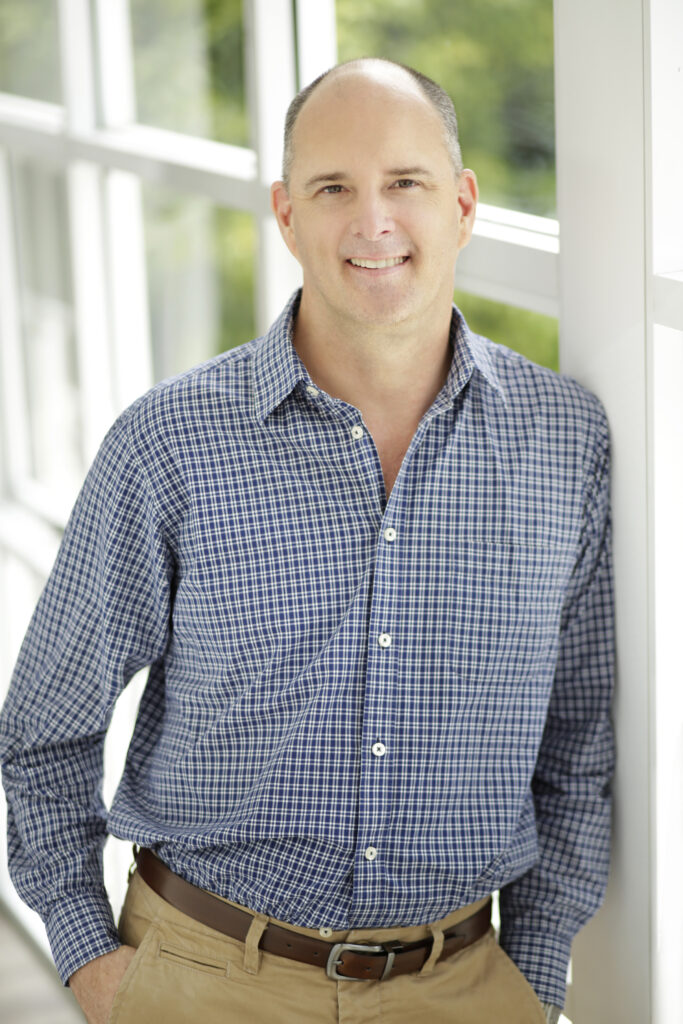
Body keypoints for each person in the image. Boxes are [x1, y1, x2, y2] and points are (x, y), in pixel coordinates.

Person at [0, 58, 614, 1024]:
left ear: (461, 205)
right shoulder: (170, 444)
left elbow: (576, 746)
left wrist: (530, 982)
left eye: (404, 182)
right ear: (286, 216)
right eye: (333, 188)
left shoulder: (564, 443)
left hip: (466, 985)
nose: (373, 221)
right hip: (200, 977)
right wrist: (94, 964)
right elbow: (45, 730)